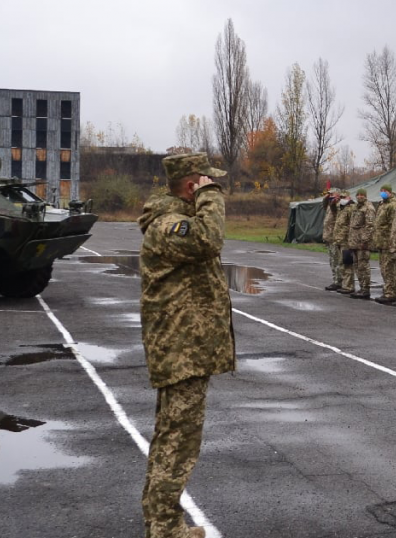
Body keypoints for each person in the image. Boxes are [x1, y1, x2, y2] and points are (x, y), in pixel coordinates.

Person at [138, 152, 236, 538]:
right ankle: (164, 527)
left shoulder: (176, 220)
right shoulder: (168, 225)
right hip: (181, 350)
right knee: (178, 439)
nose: (213, 185)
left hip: (188, 348)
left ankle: (161, 518)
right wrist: (211, 197)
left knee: (173, 436)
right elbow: (208, 240)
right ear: (191, 183)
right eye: (206, 181)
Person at [347, 188, 377, 299]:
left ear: (365, 196)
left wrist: (365, 240)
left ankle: (365, 289)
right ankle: (361, 287)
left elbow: (370, 226)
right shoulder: (355, 207)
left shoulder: (368, 208)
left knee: (363, 266)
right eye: (358, 195)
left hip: (362, 244)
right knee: (357, 266)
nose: (359, 196)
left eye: (361, 195)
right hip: (354, 242)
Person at [374, 184, 396, 304]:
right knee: (384, 268)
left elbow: (394, 225)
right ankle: (388, 290)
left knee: (389, 268)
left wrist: (391, 241)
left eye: (385, 191)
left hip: (388, 242)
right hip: (381, 242)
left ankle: (390, 293)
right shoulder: (382, 204)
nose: (383, 193)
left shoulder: (393, 205)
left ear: (390, 192)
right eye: (381, 190)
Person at [334, 192, 356, 294]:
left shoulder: (351, 208)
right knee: (342, 263)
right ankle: (345, 284)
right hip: (339, 240)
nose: (342, 199)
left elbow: (352, 225)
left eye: (344, 197)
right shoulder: (341, 208)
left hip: (346, 240)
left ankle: (349, 286)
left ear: (349, 197)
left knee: (347, 264)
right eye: (341, 197)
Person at [323, 189, 344, 291]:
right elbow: (324, 205)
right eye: (330, 194)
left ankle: (339, 281)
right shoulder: (329, 205)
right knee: (332, 260)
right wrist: (326, 197)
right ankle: (335, 280)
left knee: (337, 260)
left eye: (332, 194)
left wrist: (334, 202)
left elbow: (334, 209)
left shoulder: (338, 205)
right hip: (329, 237)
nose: (330, 196)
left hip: (334, 237)